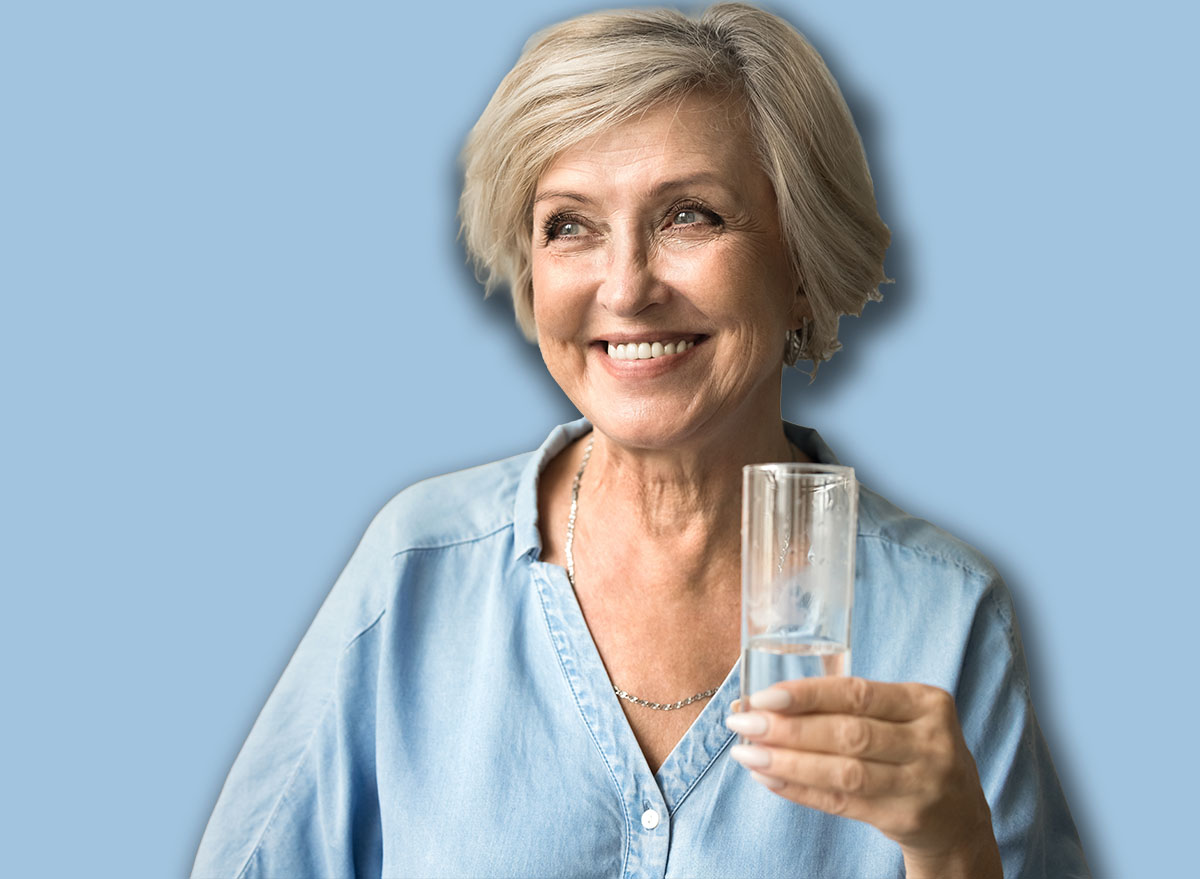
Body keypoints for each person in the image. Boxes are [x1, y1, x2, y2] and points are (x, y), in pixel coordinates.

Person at [191, 4, 1089, 877]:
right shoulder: (419, 565)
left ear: (803, 266)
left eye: (690, 214)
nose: (625, 288)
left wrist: (958, 854)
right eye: (570, 225)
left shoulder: (945, 619)